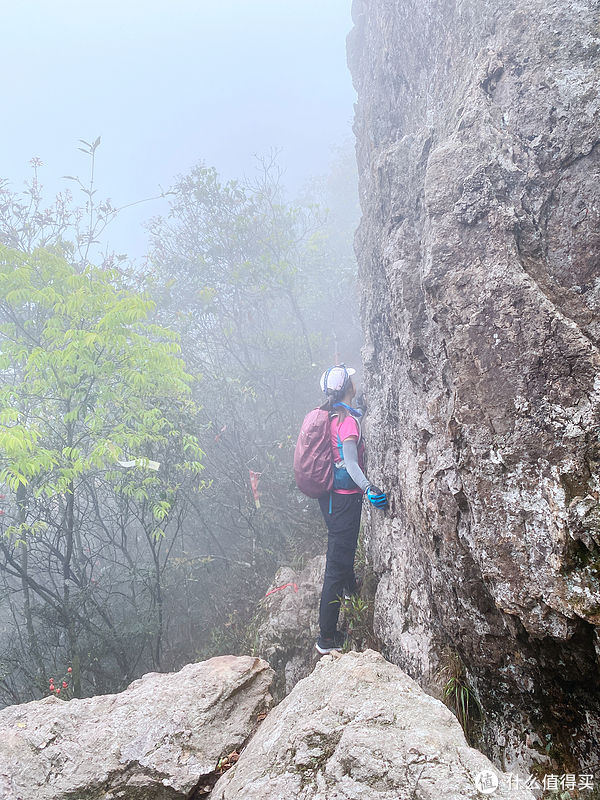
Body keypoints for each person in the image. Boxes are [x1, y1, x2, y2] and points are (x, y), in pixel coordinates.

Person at [315, 364, 388, 655]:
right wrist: (370, 489)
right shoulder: (347, 423)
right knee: (335, 565)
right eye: (352, 379)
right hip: (344, 500)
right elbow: (352, 463)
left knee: (341, 552)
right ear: (348, 387)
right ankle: (326, 638)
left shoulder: (332, 417)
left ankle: (350, 587)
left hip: (330, 498)